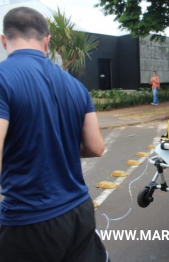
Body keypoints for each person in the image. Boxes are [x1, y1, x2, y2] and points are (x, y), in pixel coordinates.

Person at [0, 7, 109, 261]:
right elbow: (96, 147)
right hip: (79, 212)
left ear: (4, 40)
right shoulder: (76, 86)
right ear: (47, 41)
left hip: (28, 220)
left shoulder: (3, 79)